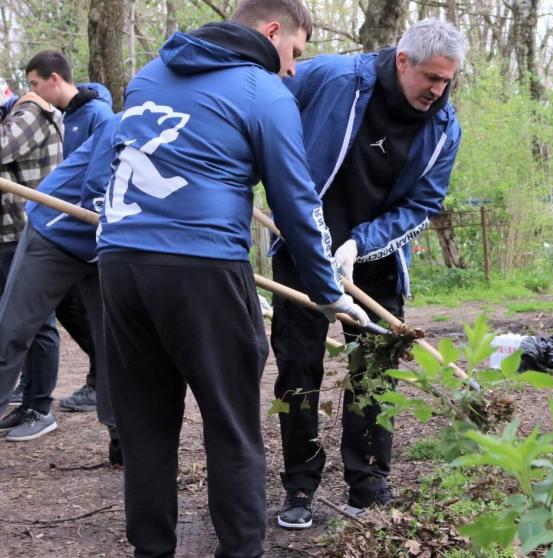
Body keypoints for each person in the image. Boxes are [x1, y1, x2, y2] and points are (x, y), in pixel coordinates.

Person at [96, 0, 368, 555]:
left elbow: (111, 160)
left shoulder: (148, 74)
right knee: (232, 426)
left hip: (121, 266)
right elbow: (296, 201)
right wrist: (327, 292)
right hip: (203, 269)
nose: (293, 67)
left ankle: (152, 551)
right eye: (293, 51)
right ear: (272, 32)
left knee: (145, 431)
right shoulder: (261, 90)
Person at [271, 18, 465, 529]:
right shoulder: (335, 78)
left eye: (448, 80)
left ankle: (369, 479)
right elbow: (264, 100)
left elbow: (424, 203)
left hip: (373, 262)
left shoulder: (444, 128)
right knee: (297, 368)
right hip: (300, 248)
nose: (439, 90)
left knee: (375, 368)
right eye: (431, 77)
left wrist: (364, 243)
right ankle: (299, 482)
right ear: (403, 61)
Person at [0, 114, 120, 454]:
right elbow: (97, 189)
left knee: (115, 341)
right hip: (57, 230)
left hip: (105, 246)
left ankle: (121, 438)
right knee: (13, 329)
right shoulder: (124, 124)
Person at [16, 50, 115, 413]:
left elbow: (99, 175)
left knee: (94, 320)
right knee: (73, 315)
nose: (32, 91)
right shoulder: (61, 116)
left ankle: (99, 387)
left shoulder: (99, 116)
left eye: (35, 83)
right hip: (57, 233)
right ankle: (87, 383)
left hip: (86, 238)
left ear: (54, 78)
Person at [0, 89, 63, 439]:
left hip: (27, 230)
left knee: (36, 321)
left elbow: (4, 149)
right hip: (8, 233)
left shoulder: (31, 113)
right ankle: (26, 403)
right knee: (13, 322)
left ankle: (40, 407)